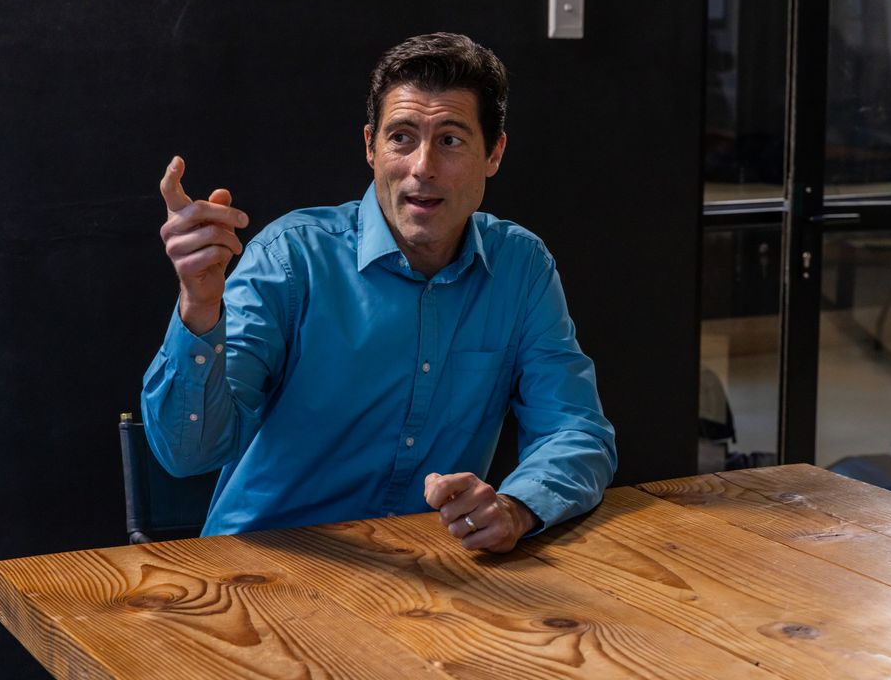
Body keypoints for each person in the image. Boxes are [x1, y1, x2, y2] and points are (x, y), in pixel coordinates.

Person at [143, 32, 616, 553]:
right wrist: (199, 307)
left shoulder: (520, 267)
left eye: (451, 140)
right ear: (370, 146)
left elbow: (576, 433)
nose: (422, 167)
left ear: (494, 153)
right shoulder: (292, 258)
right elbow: (188, 454)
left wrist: (517, 507)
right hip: (261, 569)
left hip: (425, 579)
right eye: (402, 137)